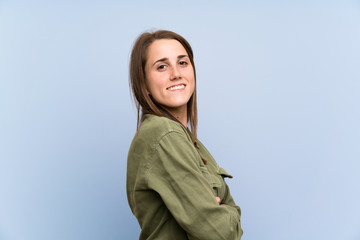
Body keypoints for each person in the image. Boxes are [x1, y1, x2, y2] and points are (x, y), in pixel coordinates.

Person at [126, 30, 243, 240]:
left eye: (182, 63)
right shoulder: (164, 134)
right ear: (144, 84)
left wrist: (221, 209)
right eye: (162, 66)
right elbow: (221, 234)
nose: (176, 74)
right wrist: (226, 210)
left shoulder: (185, 138)